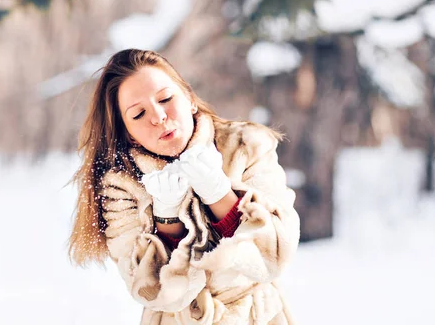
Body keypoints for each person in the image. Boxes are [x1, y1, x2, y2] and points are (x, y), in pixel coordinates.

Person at [69, 49, 300, 324]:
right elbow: (152, 291)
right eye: (139, 113)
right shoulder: (120, 187)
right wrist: (167, 219)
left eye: (166, 98)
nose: (158, 116)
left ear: (190, 99)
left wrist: (219, 194)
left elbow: (276, 255)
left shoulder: (246, 146)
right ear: (127, 132)